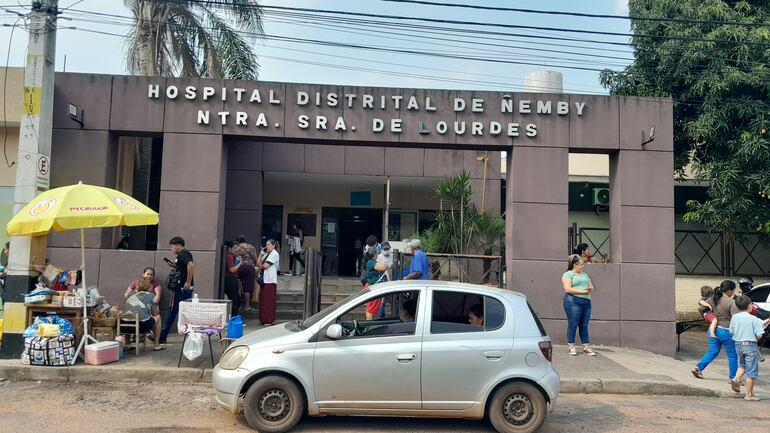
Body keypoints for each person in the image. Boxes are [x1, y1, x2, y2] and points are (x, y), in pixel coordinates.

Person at [692, 280, 739, 380]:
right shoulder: (731, 303)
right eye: (734, 290)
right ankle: (733, 378)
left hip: (713, 329)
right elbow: (736, 319)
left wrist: (709, 317)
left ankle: (699, 368)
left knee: (713, 351)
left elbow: (701, 307)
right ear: (730, 290)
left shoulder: (712, 299)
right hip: (726, 331)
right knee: (732, 355)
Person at [729, 295, 770, 400]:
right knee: (751, 370)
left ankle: (736, 378)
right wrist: (757, 335)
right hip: (750, 346)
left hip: (738, 344)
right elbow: (759, 334)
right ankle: (749, 394)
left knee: (743, 364)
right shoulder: (754, 319)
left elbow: (731, 331)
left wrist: (766, 322)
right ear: (750, 306)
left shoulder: (735, 317)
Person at [159, 236, 194, 344]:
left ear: (179, 245)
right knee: (184, 311)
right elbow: (183, 268)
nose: (171, 248)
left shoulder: (183, 253)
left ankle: (162, 336)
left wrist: (188, 282)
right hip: (184, 287)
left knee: (172, 311)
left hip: (181, 288)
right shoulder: (183, 255)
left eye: (172, 246)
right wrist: (174, 266)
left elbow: (190, 265)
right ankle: (189, 334)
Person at [562, 254, 595, 356]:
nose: (583, 266)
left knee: (584, 325)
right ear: (575, 265)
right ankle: (571, 346)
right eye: (581, 264)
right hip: (573, 301)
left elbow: (591, 287)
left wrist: (590, 289)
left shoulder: (585, 275)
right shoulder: (568, 274)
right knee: (573, 323)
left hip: (586, 302)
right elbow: (567, 289)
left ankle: (586, 346)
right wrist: (582, 292)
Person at [122, 280, 164, 351]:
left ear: (137, 286)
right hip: (141, 326)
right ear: (149, 287)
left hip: (124, 327)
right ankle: (156, 344)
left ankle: (127, 343)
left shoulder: (129, 295)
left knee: (129, 316)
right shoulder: (151, 296)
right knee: (158, 317)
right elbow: (155, 313)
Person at [258, 239, 280, 326]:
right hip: (264, 280)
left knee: (268, 301)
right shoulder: (267, 254)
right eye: (266, 245)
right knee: (263, 300)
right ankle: (263, 319)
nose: (267, 246)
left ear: (273, 245)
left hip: (270, 280)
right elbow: (258, 262)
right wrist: (261, 253)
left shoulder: (274, 254)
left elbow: (265, 266)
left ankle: (268, 319)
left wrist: (260, 265)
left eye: (269, 245)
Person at [234, 235, 257, 312]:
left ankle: (238, 305)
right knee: (247, 288)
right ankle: (247, 306)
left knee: (239, 287)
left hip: (239, 267)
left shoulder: (237, 248)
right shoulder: (251, 247)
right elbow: (256, 259)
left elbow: (235, 258)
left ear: (238, 241)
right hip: (249, 268)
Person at [363, 247, 388, 320]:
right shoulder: (371, 262)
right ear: (375, 254)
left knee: (372, 308)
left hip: (374, 286)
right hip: (373, 287)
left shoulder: (371, 261)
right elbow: (383, 267)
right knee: (371, 309)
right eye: (377, 252)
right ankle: (368, 324)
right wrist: (387, 265)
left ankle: (369, 323)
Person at [223, 241, 242, 317]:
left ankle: (233, 317)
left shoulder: (231, 257)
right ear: (229, 249)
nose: (236, 250)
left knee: (236, 300)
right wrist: (240, 263)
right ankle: (233, 318)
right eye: (234, 248)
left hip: (230, 279)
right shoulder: (229, 257)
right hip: (230, 279)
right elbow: (232, 270)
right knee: (235, 300)